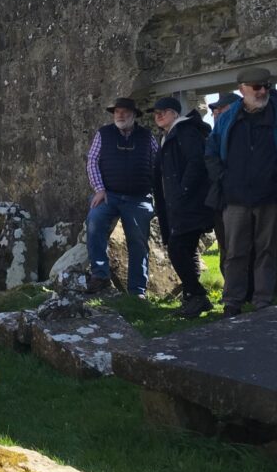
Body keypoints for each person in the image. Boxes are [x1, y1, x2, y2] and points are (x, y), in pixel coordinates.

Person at [205, 68, 277, 317]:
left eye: (266, 87)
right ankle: (232, 302)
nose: (262, 91)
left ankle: (263, 301)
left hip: (268, 196)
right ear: (242, 89)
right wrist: (223, 179)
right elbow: (212, 151)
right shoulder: (228, 118)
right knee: (235, 251)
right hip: (235, 197)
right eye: (256, 87)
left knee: (266, 251)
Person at [85, 97, 159, 297]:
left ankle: (137, 291)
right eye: (117, 112)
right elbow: (92, 161)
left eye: (125, 112)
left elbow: (156, 165)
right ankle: (100, 275)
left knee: (138, 241)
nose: (120, 115)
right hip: (109, 194)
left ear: (134, 115)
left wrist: (154, 194)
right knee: (94, 221)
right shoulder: (103, 134)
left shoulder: (147, 137)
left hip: (138, 197)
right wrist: (99, 189)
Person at [152, 97, 215, 318]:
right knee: (185, 251)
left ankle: (198, 296)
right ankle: (192, 298)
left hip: (191, 204)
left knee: (176, 248)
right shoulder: (166, 137)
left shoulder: (185, 131)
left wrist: (182, 191)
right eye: (156, 112)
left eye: (164, 111)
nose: (159, 115)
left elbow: (196, 162)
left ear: (176, 113)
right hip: (177, 205)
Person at [207, 92, 255, 302]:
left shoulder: (245, 129)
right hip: (222, 199)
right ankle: (233, 293)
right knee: (227, 249)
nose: (216, 112)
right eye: (214, 110)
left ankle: (252, 293)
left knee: (252, 247)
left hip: (246, 197)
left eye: (221, 108)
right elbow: (211, 161)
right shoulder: (214, 136)